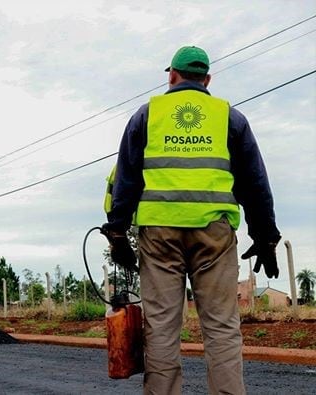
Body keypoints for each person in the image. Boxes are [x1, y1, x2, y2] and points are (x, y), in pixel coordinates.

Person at [104, 45, 280, 394]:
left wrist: (118, 233)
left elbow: (127, 178)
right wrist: (266, 236)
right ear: (207, 79)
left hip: (160, 236)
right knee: (221, 328)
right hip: (213, 234)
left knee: (162, 328)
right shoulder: (229, 117)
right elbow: (254, 182)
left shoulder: (147, 115)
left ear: (171, 76)